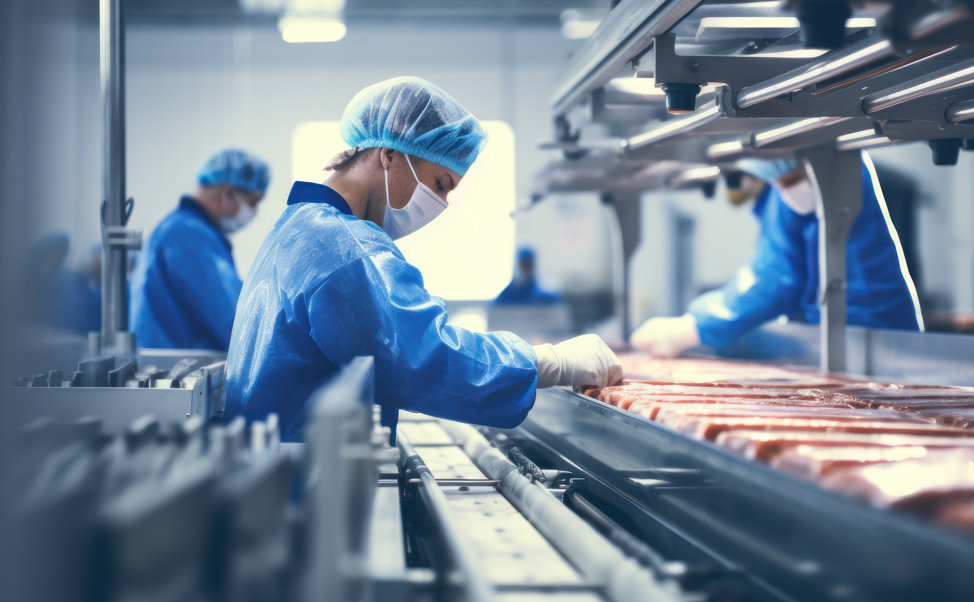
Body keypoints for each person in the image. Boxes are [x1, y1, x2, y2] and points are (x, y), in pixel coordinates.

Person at [224, 77, 621, 441]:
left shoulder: (300, 225)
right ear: (390, 155)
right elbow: (419, 356)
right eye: (439, 184)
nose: (441, 205)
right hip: (305, 484)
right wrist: (547, 363)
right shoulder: (342, 248)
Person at [630, 153, 923, 358]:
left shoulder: (821, 166)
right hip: (840, 337)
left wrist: (695, 326)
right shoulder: (790, 182)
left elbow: (775, 277)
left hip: (868, 336)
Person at [130, 147, 271, 350]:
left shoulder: (180, 229)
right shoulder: (188, 237)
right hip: (176, 370)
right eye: (253, 202)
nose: (254, 211)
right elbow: (234, 323)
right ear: (228, 193)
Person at [494, 247, 560, 305]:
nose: (526, 268)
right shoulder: (507, 296)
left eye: (529, 265)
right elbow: (496, 313)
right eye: (524, 265)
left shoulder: (547, 297)